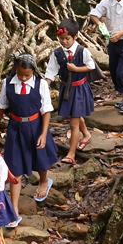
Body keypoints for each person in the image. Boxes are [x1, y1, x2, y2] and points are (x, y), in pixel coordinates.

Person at [0, 52, 60, 204]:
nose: (23, 78)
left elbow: (46, 110)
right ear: (16, 69)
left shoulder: (40, 84)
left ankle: (44, 181)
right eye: (20, 74)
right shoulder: (8, 83)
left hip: (35, 126)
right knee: (14, 164)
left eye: (27, 75)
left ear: (33, 71)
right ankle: (14, 210)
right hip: (15, 127)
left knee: (40, 157)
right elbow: (2, 106)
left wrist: (43, 134)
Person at [44, 19, 95, 165]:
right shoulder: (57, 54)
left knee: (73, 123)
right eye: (61, 39)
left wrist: (77, 69)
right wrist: (45, 86)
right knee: (75, 114)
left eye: (67, 39)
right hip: (66, 88)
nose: (64, 42)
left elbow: (90, 66)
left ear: (75, 37)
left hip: (79, 89)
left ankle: (71, 154)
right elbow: (51, 72)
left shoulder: (82, 51)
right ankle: (86, 133)